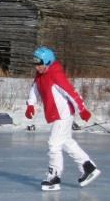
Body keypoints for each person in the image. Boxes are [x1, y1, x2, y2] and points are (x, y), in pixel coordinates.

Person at [26, 46, 101, 191]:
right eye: (35, 63)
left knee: (54, 144)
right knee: (66, 142)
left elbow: (71, 93)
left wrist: (82, 109)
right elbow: (34, 89)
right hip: (56, 114)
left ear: (47, 62)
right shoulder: (40, 74)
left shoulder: (55, 75)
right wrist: (30, 105)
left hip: (63, 114)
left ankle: (54, 177)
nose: (37, 66)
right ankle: (88, 167)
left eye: (39, 63)